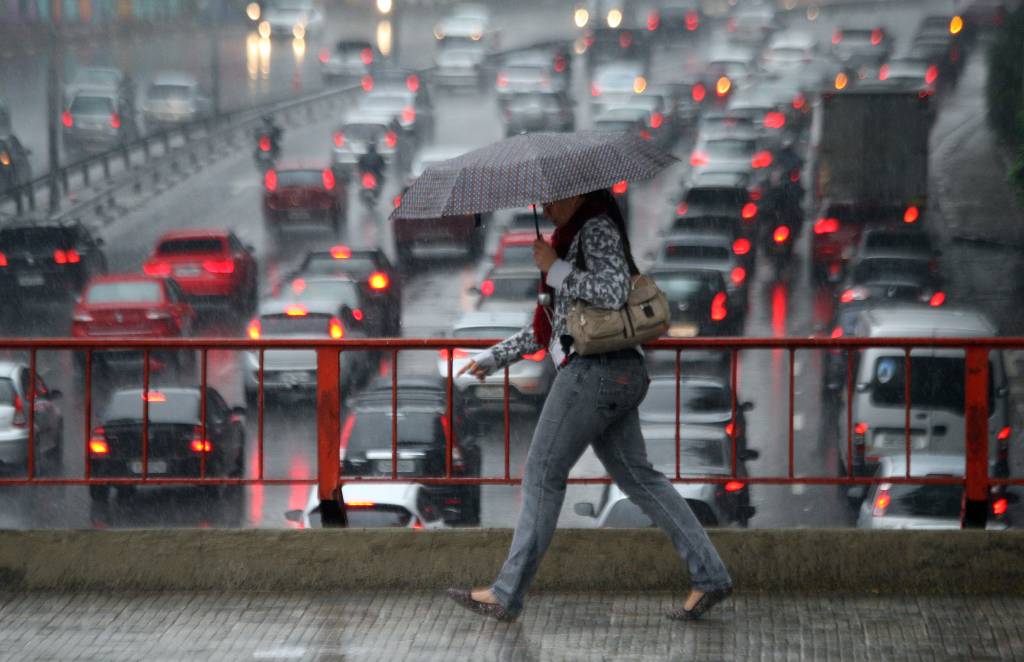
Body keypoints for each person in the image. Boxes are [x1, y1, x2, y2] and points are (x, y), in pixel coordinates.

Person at [445, 188, 733, 623]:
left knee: (543, 473)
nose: (545, 208)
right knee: (641, 479)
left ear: (576, 195)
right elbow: (553, 328)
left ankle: (507, 592)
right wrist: (493, 357)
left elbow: (614, 291)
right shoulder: (571, 237)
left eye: (551, 200)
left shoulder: (594, 229)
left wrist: (556, 270)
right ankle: (710, 576)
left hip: (593, 372)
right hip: (614, 372)